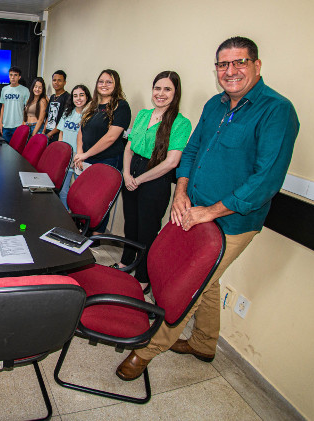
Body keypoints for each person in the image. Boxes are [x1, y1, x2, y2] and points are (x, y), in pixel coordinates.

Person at [116, 36, 299, 382]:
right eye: (223, 65)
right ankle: (203, 342)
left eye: (239, 63)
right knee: (208, 280)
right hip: (195, 208)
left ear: (257, 66)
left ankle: (146, 351)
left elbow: (265, 180)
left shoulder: (277, 110)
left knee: (191, 284)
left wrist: (210, 212)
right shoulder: (215, 105)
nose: (230, 71)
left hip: (234, 221)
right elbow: (194, 149)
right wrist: (181, 191)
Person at [116, 72, 192, 289]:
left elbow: (171, 162)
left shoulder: (181, 123)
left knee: (147, 230)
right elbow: (129, 147)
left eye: (167, 89)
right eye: (157, 88)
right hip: (132, 173)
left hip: (155, 178)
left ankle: (142, 277)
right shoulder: (142, 114)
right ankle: (126, 262)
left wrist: (139, 179)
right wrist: (126, 174)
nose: (161, 93)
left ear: (175, 93)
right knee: (131, 224)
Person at [72, 69, 131, 233]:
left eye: (109, 82)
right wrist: (79, 153)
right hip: (86, 159)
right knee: (85, 198)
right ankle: (83, 231)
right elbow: (81, 131)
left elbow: (111, 137)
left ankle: (96, 238)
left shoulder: (121, 106)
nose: (104, 85)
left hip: (108, 161)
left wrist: (86, 154)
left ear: (116, 84)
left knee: (99, 201)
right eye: (101, 81)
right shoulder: (93, 105)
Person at [55, 84, 91, 207]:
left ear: (87, 97)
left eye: (81, 95)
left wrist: (81, 156)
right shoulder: (67, 112)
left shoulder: (90, 115)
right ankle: (65, 216)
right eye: (75, 96)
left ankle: (78, 221)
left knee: (79, 193)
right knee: (63, 191)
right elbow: (61, 132)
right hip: (66, 157)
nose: (78, 98)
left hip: (80, 158)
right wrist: (60, 152)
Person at [0, 67, 30, 143]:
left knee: (18, 151)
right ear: (9, 76)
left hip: (19, 125)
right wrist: (0, 122)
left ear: (19, 77)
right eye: (11, 75)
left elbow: (27, 108)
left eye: (15, 75)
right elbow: (3, 107)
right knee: (5, 150)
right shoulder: (4, 89)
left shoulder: (25, 90)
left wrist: (24, 121)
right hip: (6, 125)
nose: (13, 77)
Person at [45, 70, 70, 142]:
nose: (56, 82)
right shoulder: (52, 97)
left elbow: (64, 119)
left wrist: (50, 134)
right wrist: (44, 131)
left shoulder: (67, 97)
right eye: (54, 80)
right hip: (48, 133)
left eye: (59, 80)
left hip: (58, 135)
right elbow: (49, 116)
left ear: (64, 82)